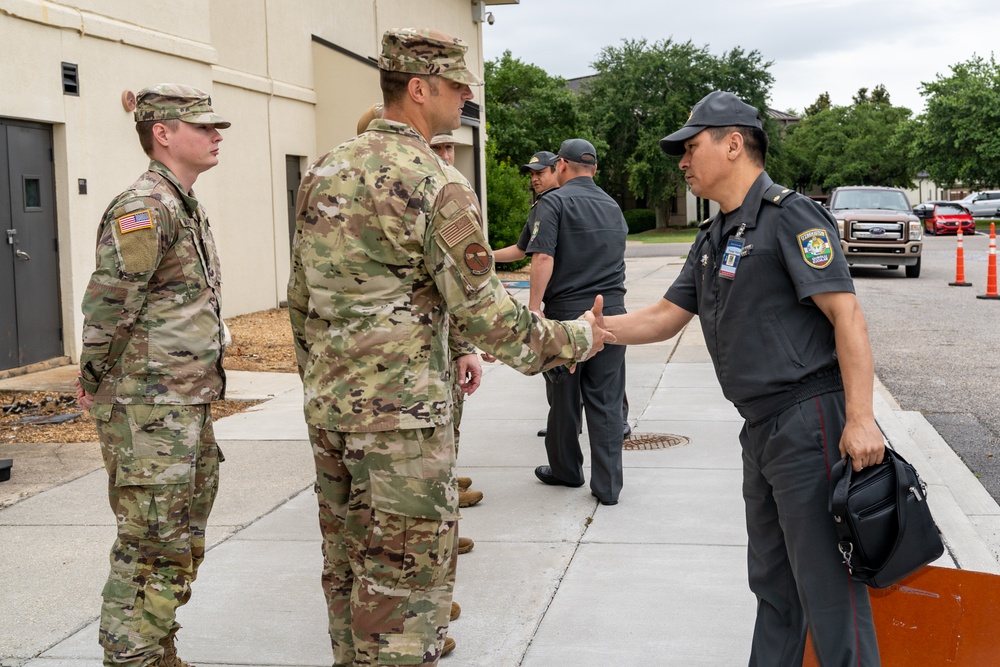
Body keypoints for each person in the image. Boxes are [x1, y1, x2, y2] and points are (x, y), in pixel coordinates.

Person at [288, 28, 612, 666]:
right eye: (458, 85)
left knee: (350, 568)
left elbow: (299, 301)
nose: (467, 95)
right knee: (406, 590)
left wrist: (323, 380)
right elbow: (492, 319)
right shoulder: (435, 183)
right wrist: (579, 338)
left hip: (332, 414)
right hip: (403, 425)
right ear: (418, 89)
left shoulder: (323, 170)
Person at [597, 90, 884, 666]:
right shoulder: (713, 238)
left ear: (733, 143)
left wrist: (861, 418)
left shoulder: (790, 216)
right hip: (762, 429)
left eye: (690, 146)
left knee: (828, 588)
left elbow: (846, 314)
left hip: (811, 421)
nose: (681, 160)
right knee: (774, 584)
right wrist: (594, 330)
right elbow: (664, 317)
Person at [75, 84, 230, 667]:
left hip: (183, 405)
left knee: (179, 542)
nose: (217, 136)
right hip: (148, 409)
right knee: (149, 545)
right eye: (204, 127)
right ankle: (132, 658)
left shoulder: (184, 203)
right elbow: (110, 302)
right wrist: (93, 373)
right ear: (162, 133)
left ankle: (157, 650)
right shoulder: (145, 208)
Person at [526, 138, 629, 506]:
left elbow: (542, 258)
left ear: (562, 167)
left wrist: (534, 309)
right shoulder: (613, 206)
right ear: (595, 170)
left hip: (567, 316)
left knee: (565, 397)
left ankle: (567, 470)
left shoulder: (553, 202)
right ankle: (608, 486)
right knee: (606, 400)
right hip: (612, 315)